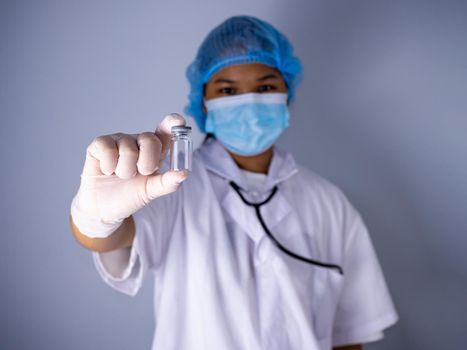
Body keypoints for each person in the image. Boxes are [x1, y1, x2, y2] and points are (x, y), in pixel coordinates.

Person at [70, 15, 398, 350]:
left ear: (287, 95)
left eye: (266, 87)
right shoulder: (172, 188)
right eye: (227, 90)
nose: (250, 101)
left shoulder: (328, 202)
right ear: (203, 102)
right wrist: (96, 217)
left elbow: (349, 335)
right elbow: (109, 240)